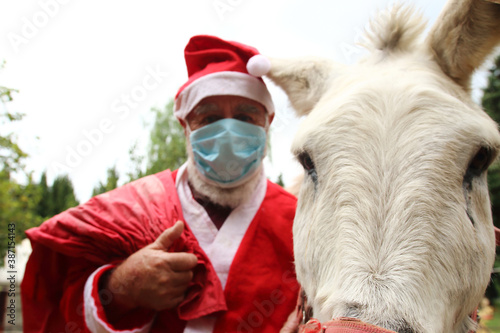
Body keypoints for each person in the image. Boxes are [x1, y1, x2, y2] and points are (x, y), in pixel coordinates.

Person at [21, 35, 300, 333]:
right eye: (210, 118)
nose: (229, 131)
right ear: (185, 126)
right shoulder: (132, 209)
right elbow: (60, 303)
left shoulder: (302, 219)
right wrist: (120, 288)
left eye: (246, 117)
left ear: (268, 124)